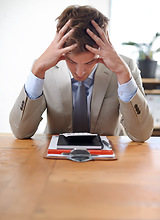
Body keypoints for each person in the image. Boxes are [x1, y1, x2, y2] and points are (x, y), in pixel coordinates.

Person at [9, 5, 153, 142]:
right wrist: (37, 71)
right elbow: (20, 132)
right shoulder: (44, 68)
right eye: (71, 61)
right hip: (55, 161)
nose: (80, 72)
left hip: (109, 161)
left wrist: (123, 75)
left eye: (89, 62)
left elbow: (142, 135)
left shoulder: (124, 68)